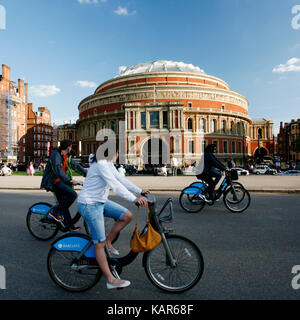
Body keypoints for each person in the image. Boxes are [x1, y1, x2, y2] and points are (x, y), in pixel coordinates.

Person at [77, 151, 149, 290]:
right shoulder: (101, 165)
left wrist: (140, 191)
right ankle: (110, 279)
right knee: (99, 243)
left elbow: (121, 180)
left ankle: (109, 241)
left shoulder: (108, 164)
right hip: (89, 204)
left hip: (100, 201)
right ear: (114, 153)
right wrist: (133, 198)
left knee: (126, 216)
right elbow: (115, 186)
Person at [40, 140, 87, 231]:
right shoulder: (56, 156)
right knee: (72, 195)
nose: (71, 148)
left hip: (60, 182)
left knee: (64, 204)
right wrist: (69, 180)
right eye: (71, 147)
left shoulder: (65, 156)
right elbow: (58, 170)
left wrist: (88, 174)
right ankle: (55, 212)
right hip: (53, 182)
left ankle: (68, 225)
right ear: (68, 147)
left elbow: (76, 166)